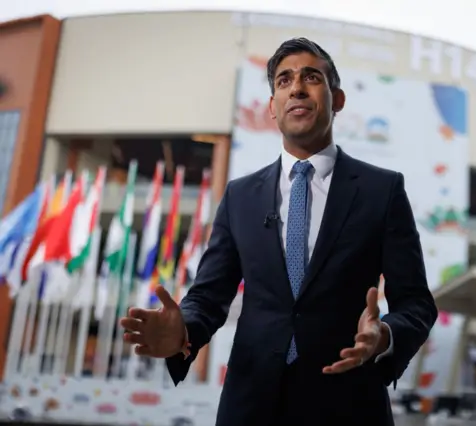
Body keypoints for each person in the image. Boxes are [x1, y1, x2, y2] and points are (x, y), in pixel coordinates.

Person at [119, 37, 437, 426]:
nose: (297, 88)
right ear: (272, 107)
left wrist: (384, 336)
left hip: (350, 405)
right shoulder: (240, 196)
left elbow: (417, 304)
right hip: (251, 405)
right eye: (283, 81)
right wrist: (183, 331)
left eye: (311, 77)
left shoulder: (382, 191)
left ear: (337, 99)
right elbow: (208, 297)